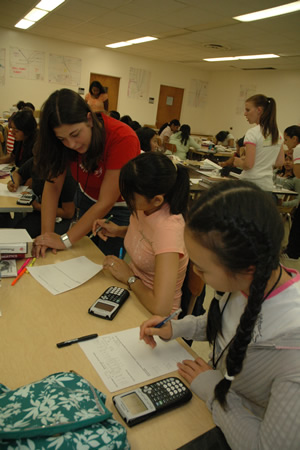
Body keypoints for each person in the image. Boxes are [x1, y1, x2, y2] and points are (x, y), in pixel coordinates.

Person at [140, 180, 300, 450]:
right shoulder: (249, 281)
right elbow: (228, 325)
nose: (196, 275)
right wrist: (176, 328)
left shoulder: (291, 351)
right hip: (221, 403)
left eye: (202, 269)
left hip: (237, 420)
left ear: (245, 267)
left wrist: (214, 390)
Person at [33, 88, 140, 258]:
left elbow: (106, 201)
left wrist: (64, 240)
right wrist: (47, 237)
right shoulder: (63, 144)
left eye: (75, 134)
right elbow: (53, 187)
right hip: (86, 199)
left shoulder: (122, 138)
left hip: (118, 208)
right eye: (62, 139)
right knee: (78, 257)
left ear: (89, 119)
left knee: (105, 265)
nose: (71, 144)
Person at [92, 152, 189, 316]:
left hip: (154, 316)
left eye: (130, 196)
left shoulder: (169, 231)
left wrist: (129, 278)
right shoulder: (146, 207)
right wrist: (118, 231)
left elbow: (161, 307)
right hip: (134, 293)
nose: (124, 197)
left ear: (157, 200)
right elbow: (148, 239)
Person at [7, 157, 77, 238]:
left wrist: (38, 207)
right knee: (18, 234)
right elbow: (18, 174)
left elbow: (68, 213)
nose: (36, 165)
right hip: (40, 212)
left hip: (59, 217)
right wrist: (15, 182)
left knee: (49, 239)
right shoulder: (35, 162)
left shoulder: (66, 174)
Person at [233, 94, 284, 191]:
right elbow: (280, 162)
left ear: (259, 110)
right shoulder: (278, 134)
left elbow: (248, 165)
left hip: (249, 185)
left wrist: (239, 162)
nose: (245, 113)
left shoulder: (253, 132)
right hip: (267, 186)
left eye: (248, 110)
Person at [281, 125, 300, 260]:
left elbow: (298, 174)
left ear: (294, 138)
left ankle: (292, 253)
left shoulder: (298, 149)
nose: (285, 143)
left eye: (286, 139)